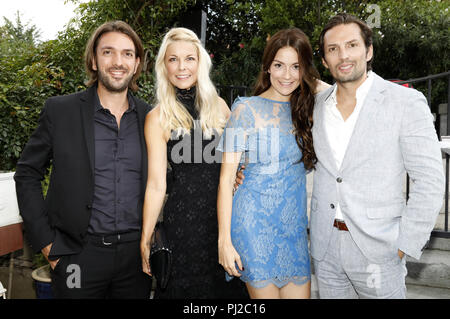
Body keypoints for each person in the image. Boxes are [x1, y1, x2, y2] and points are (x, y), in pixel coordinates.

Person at [310, 13, 445, 298]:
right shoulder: (317, 105)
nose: (343, 55)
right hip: (325, 247)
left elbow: (430, 180)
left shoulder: (405, 102)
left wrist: (405, 243)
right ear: (324, 60)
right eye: (333, 49)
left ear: (368, 51)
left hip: (380, 250)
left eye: (352, 45)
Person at [14, 21, 152, 298]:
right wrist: (48, 245)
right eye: (108, 52)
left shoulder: (151, 118)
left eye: (127, 54)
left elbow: (176, 173)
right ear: (93, 59)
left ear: (137, 64)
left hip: (136, 260)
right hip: (77, 256)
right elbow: (27, 173)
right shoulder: (60, 111)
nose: (117, 62)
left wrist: (234, 173)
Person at [216, 28, 329, 299]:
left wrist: (310, 80)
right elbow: (225, 181)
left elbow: (339, 92)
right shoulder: (244, 109)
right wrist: (224, 242)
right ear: (267, 67)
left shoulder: (307, 109)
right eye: (279, 65)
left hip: (294, 230)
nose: (287, 75)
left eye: (296, 67)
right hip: (254, 226)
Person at [140, 27, 248, 299]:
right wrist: (146, 236)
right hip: (183, 229)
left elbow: (236, 165)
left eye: (189, 58)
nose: (181, 67)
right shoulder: (158, 117)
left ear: (200, 63)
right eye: (173, 59)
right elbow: (155, 184)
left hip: (225, 223)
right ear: (163, 66)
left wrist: (240, 174)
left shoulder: (221, 107)